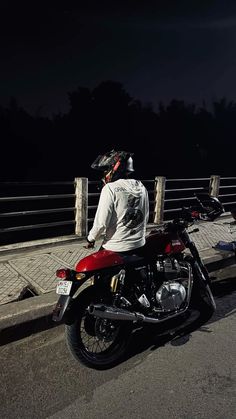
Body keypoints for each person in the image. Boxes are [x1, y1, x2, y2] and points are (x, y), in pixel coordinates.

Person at [85, 150, 149, 254]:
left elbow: (101, 224)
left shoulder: (110, 188)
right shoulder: (141, 186)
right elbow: (145, 217)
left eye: (106, 170)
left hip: (116, 246)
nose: (105, 173)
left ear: (113, 169)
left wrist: (91, 239)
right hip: (139, 243)